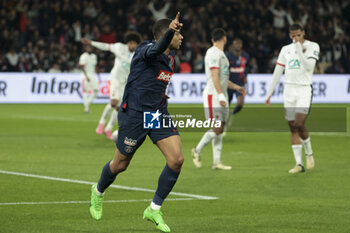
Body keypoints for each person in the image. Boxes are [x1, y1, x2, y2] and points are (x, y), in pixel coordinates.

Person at [89, 13, 183, 233]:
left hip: (156, 113)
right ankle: (99, 190)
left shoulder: (171, 60)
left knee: (176, 159)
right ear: (166, 35)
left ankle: (154, 209)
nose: (182, 37)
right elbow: (155, 50)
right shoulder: (145, 49)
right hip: (135, 115)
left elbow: (154, 83)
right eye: (178, 34)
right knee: (120, 165)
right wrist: (170, 29)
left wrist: (160, 97)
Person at [265, 24, 319, 173]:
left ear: (303, 33)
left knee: (299, 123)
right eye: (293, 36)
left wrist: (298, 50)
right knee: (292, 127)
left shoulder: (313, 46)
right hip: (289, 90)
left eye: (298, 35)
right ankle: (299, 164)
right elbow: (278, 71)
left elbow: (309, 67)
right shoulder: (285, 50)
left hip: (303, 89)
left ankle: (309, 153)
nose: (296, 38)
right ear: (289, 35)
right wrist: (269, 93)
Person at [191, 28, 247, 170]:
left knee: (220, 129)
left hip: (221, 94)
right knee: (216, 128)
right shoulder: (214, 53)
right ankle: (197, 150)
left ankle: (216, 162)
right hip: (213, 95)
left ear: (212, 39)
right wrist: (220, 94)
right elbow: (214, 75)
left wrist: (237, 87)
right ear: (225, 39)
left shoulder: (222, 55)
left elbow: (223, 79)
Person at [81, 32, 142, 140]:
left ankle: (108, 128)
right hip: (114, 80)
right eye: (130, 43)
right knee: (114, 102)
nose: (132, 46)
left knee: (120, 107)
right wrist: (91, 42)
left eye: (134, 44)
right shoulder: (119, 47)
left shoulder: (139, 54)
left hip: (125, 83)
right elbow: (105, 46)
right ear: (127, 43)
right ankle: (101, 123)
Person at [226, 38, 250, 116]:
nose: (238, 45)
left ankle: (232, 114)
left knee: (240, 103)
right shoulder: (228, 56)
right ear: (233, 45)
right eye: (237, 44)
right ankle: (224, 117)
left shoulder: (245, 56)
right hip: (229, 83)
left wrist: (245, 76)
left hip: (240, 83)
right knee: (226, 104)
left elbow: (246, 67)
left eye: (240, 44)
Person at [78, 44, 98, 113]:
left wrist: (96, 72)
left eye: (90, 47)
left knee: (96, 90)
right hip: (85, 76)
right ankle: (86, 108)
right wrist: (86, 76)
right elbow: (81, 67)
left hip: (92, 75)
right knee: (86, 91)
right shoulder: (83, 56)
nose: (89, 49)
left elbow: (93, 66)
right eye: (88, 47)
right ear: (85, 48)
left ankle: (87, 103)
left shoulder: (94, 56)